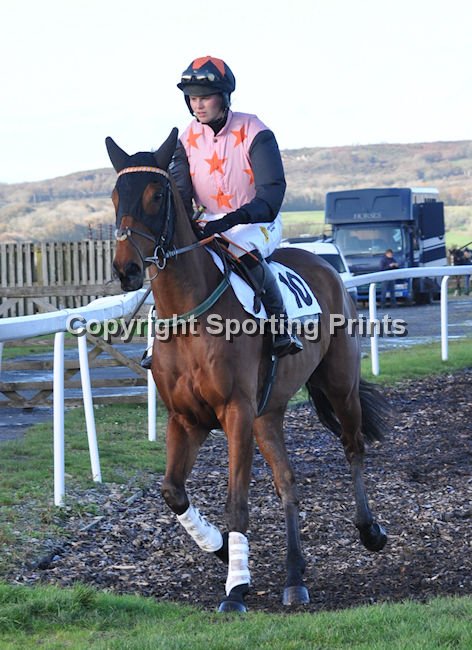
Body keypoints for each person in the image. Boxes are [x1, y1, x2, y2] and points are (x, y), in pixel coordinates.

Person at [168, 56, 303, 358]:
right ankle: (162, 341)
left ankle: (281, 328)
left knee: (241, 251)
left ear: (224, 96)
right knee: (176, 266)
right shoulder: (185, 139)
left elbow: (270, 198)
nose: (198, 105)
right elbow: (181, 195)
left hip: (257, 222)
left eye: (205, 97)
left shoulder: (255, 131)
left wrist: (229, 221)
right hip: (209, 223)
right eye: (192, 98)